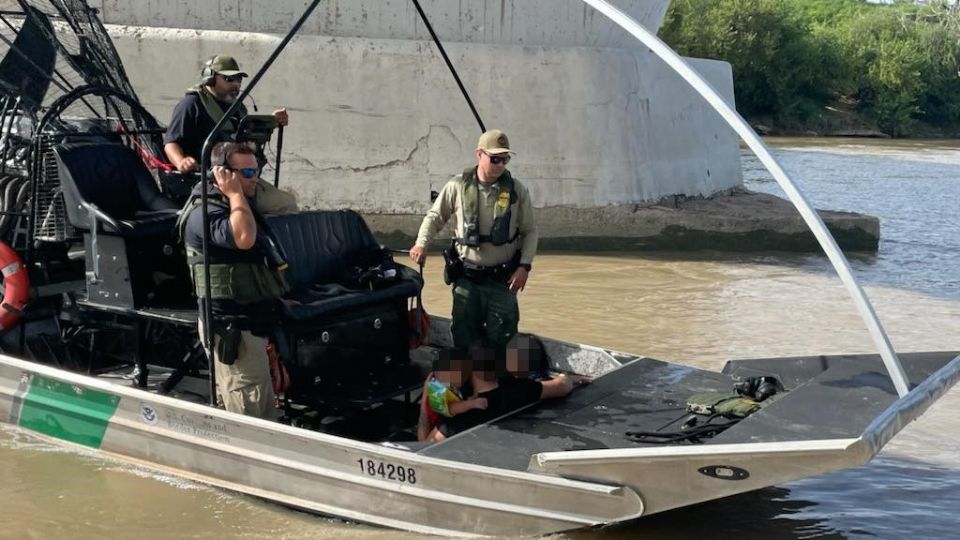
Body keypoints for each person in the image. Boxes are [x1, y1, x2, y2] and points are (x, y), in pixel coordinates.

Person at [178, 142, 291, 419]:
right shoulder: (204, 212)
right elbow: (244, 239)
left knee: (263, 406)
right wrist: (235, 194)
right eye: (248, 172)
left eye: (257, 170)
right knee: (248, 412)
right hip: (232, 329)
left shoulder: (236, 205)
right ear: (222, 174)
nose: (255, 178)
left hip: (254, 322)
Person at [409, 129, 538, 351]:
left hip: (503, 280)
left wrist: (524, 267)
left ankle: (499, 382)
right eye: (495, 159)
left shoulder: (517, 190)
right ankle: (466, 382)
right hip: (467, 279)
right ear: (479, 154)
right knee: (464, 335)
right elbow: (435, 217)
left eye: (505, 159)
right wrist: (421, 243)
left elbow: (530, 231)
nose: (500, 165)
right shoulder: (458, 186)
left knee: (504, 337)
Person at [164, 54, 297, 214]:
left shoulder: (237, 108)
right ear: (210, 78)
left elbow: (243, 141)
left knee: (287, 202)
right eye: (229, 79)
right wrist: (181, 161)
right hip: (212, 180)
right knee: (285, 205)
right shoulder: (191, 105)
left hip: (242, 176)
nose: (236, 84)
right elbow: (171, 142)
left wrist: (272, 123)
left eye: (239, 80)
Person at [429, 344, 590, 441]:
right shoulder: (520, 389)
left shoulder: (464, 413)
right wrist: (569, 378)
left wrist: (426, 402)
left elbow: (425, 445)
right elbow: (562, 386)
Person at [416, 349, 489, 441]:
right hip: (438, 423)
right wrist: (472, 403)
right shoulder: (436, 385)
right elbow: (447, 409)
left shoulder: (467, 382)